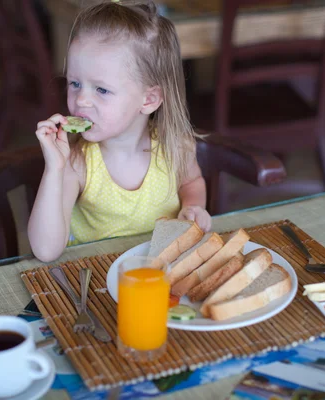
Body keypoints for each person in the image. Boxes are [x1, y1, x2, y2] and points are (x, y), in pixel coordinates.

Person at [28, 0, 211, 262]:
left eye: (101, 89)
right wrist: (54, 169)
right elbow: (45, 251)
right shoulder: (78, 164)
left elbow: (191, 182)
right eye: (75, 83)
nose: (81, 101)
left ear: (148, 100)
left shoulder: (176, 148)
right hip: (95, 281)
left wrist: (193, 206)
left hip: (156, 275)